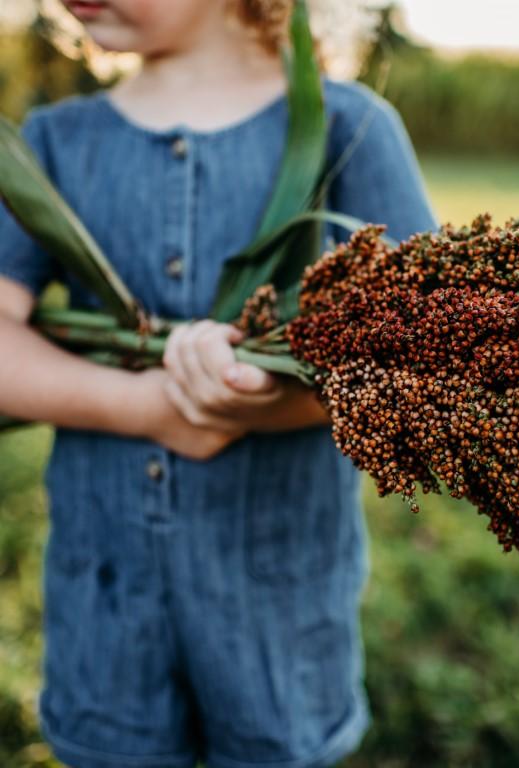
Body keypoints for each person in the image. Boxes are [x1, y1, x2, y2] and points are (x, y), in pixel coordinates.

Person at [0, 0, 438, 766]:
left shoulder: (349, 129)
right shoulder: (51, 143)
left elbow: (421, 354)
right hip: (106, 601)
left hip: (278, 606)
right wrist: (148, 407)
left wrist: (269, 397)